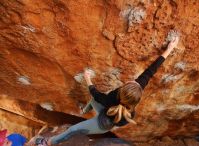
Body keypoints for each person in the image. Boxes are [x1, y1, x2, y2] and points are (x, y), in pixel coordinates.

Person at [31, 31, 180, 146]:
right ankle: (84, 111)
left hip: (101, 124)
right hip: (109, 115)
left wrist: (87, 77)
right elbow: (152, 70)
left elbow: (95, 93)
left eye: (130, 83)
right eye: (134, 83)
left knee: (72, 130)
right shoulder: (133, 99)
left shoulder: (110, 99)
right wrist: (169, 49)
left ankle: (49, 143)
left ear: (122, 92)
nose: (132, 81)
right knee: (92, 102)